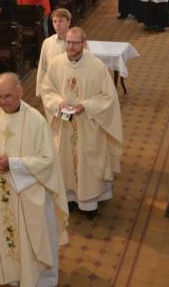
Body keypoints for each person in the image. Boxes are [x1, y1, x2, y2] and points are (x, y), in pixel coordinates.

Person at [0, 73, 69, 287]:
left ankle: (37, 280)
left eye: (8, 96)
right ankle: (12, 277)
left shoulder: (35, 120)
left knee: (31, 239)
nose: (3, 102)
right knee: (7, 238)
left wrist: (12, 164)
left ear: (20, 92)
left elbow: (47, 159)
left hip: (28, 195)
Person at [40, 27, 123, 219]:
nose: (70, 46)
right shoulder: (56, 64)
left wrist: (85, 106)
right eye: (68, 42)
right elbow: (47, 90)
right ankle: (69, 199)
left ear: (84, 43)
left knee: (88, 164)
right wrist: (58, 103)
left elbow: (108, 97)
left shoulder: (97, 66)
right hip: (64, 123)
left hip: (88, 125)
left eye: (75, 43)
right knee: (65, 162)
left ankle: (89, 203)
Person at [36, 8, 71, 103]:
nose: (57, 24)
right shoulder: (48, 42)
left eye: (61, 21)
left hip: (71, 85)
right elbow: (42, 66)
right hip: (53, 87)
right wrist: (40, 89)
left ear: (68, 22)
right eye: (55, 21)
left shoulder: (77, 41)